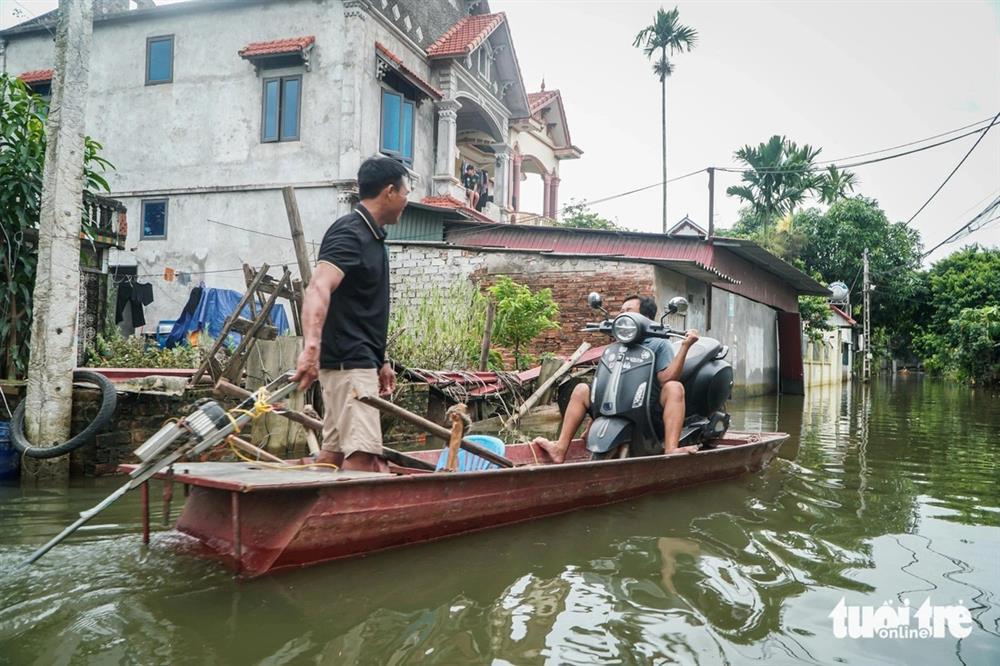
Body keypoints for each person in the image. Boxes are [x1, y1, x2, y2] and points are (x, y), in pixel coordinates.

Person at [291, 157, 410, 472]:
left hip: (356, 362)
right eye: (405, 193)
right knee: (363, 455)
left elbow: (361, 308)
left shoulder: (372, 236)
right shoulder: (350, 232)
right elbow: (318, 287)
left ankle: (312, 514)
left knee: (333, 453)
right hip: (348, 365)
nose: (406, 201)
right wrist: (311, 346)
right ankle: (337, 521)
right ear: (389, 192)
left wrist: (380, 359)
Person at [531, 294, 699, 463]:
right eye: (621, 311)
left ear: (646, 318)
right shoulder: (618, 345)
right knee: (581, 389)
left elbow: (665, 379)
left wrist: (685, 347)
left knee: (674, 387)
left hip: (649, 402)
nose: (622, 315)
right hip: (619, 401)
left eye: (629, 311)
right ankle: (559, 449)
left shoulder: (659, 343)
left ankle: (671, 448)